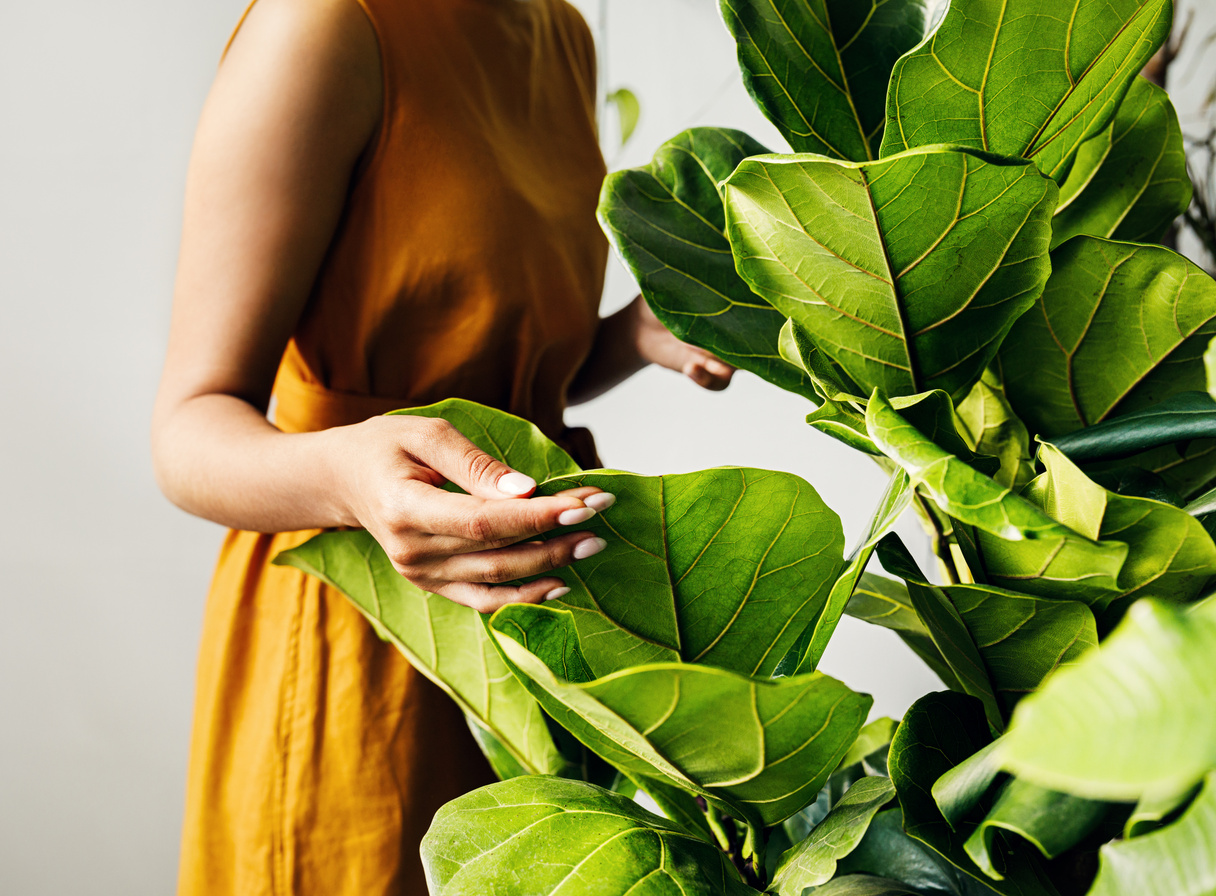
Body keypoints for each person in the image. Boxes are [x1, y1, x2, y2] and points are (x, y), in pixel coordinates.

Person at [151, 0, 734, 892]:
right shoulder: (326, 24)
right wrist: (348, 480)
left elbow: (494, 377)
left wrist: (632, 337)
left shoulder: (560, 32)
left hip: (534, 639)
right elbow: (187, 428)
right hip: (362, 634)